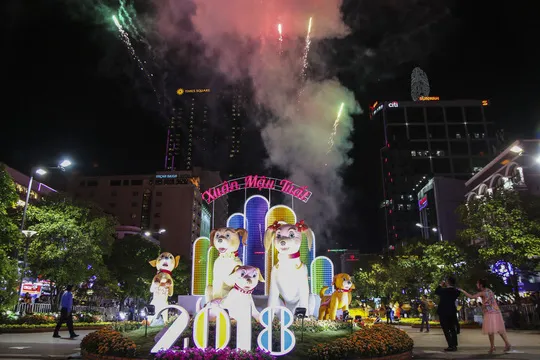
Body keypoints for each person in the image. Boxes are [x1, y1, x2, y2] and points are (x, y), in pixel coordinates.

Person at [458, 279, 512, 354]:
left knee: (490, 330)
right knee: (499, 329)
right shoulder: (489, 291)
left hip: (489, 313)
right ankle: (507, 343)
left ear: (481, 285)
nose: (476, 285)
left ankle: (492, 347)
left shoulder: (482, 293)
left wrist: (462, 291)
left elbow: (472, 296)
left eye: (477, 283)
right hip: (496, 311)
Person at [435, 276, 460, 352]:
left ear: (448, 282)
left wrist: (440, 285)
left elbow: (436, 291)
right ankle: (454, 345)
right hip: (452, 311)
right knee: (452, 329)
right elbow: (457, 292)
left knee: (446, 329)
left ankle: (450, 345)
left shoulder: (443, 291)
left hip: (443, 312)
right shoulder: (456, 291)